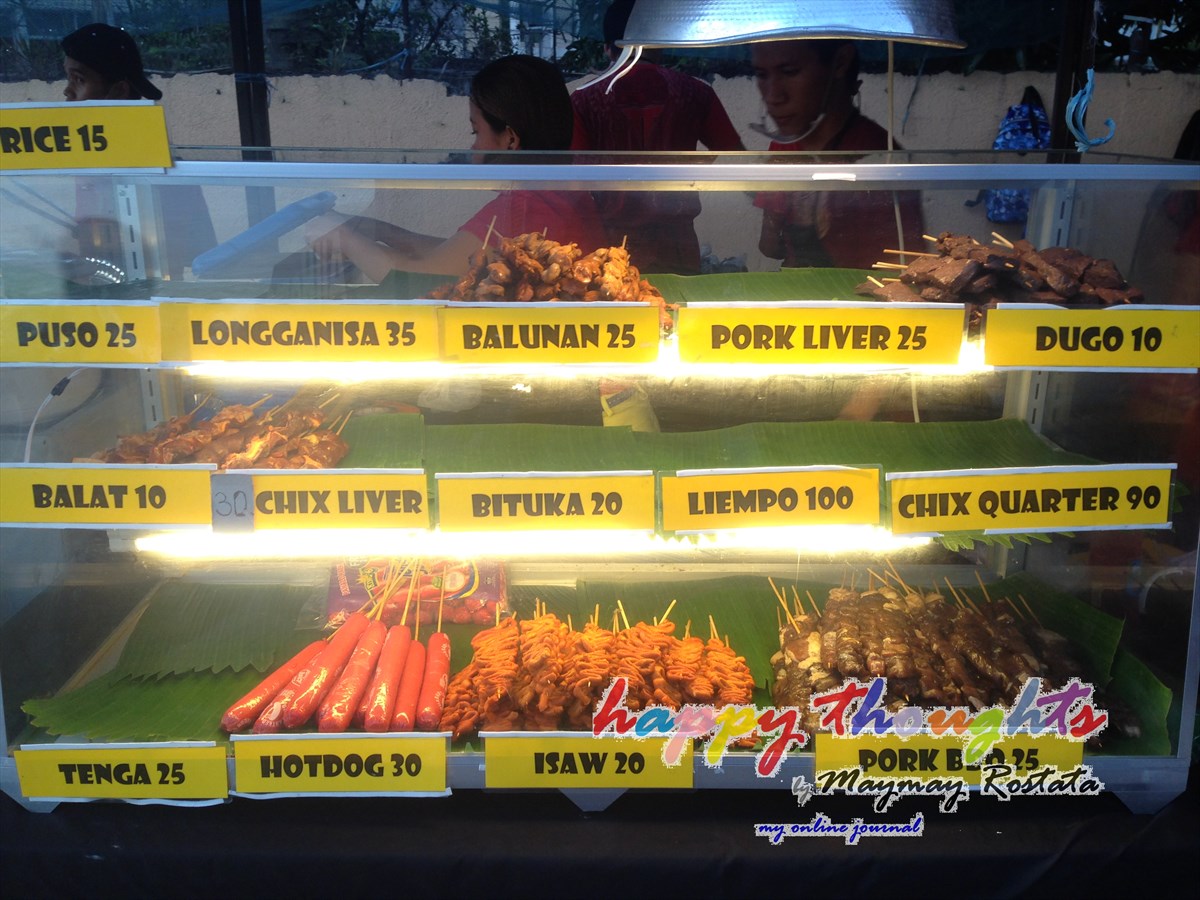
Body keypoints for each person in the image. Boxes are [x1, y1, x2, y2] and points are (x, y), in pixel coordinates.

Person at [307, 55, 607, 281]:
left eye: (476, 131)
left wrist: (346, 239)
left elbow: (417, 281)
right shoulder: (561, 194)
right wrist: (374, 230)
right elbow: (457, 256)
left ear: (511, 138)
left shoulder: (524, 207)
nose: (473, 148)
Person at [569, 0, 745, 275]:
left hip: (610, 249)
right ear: (657, 44)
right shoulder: (695, 92)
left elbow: (574, 177)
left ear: (607, 48)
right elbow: (737, 155)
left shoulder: (584, 100)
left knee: (618, 302)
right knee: (680, 303)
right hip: (678, 244)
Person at [750, 39, 925, 270]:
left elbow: (904, 266)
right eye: (762, 75)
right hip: (799, 285)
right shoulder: (783, 148)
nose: (773, 96)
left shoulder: (879, 157)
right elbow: (768, 244)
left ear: (841, 62)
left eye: (790, 71)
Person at [60, 23, 215, 280]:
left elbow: (172, 264)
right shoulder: (85, 163)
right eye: (67, 78)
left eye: (79, 79)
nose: (67, 91)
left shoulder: (164, 172)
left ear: (119, 91)